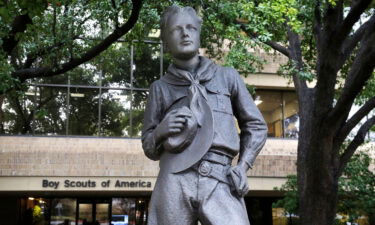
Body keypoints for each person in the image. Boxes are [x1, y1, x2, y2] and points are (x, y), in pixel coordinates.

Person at [142, 5, 267, 225]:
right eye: (176, 29)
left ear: (199, 34)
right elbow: (149, 147)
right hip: (174, 178)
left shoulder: (227, 77)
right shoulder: (160, 88)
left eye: (191, 27)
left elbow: (256, 125)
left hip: (220, 176)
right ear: (165, 41)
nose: (185, 33)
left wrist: (243, 166)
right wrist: (160, 132)